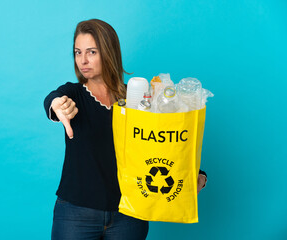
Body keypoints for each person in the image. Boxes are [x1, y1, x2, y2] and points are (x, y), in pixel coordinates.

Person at [44, 19, 207, 240]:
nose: (83, 60)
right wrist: (57, 106)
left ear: (108, 51)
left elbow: (161, 143)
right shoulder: (74, 94)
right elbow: (53, 98)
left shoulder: (138, 98)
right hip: (76, 213)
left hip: (129, 214)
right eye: (77, 52)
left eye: (91, 52)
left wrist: (191, 175)